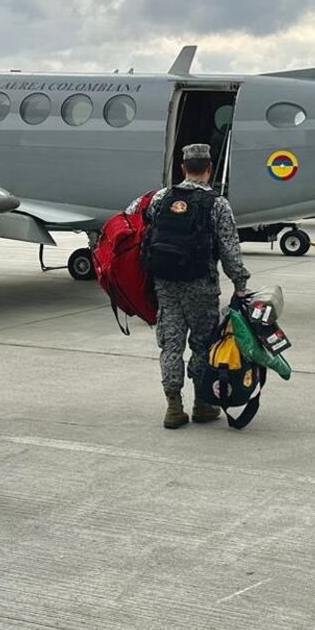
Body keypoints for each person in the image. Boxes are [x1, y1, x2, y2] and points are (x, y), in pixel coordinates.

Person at [131, 143, 251, 429]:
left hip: (166, 284)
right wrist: (240, 283)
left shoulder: (161, 197)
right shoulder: (217, 204)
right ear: (209, 168)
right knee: (202, 344)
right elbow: (229, 249)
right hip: (201, 285)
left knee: (171, 345)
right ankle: (202, 404)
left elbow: (133, 214)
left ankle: (173, 407)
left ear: (183, 169)